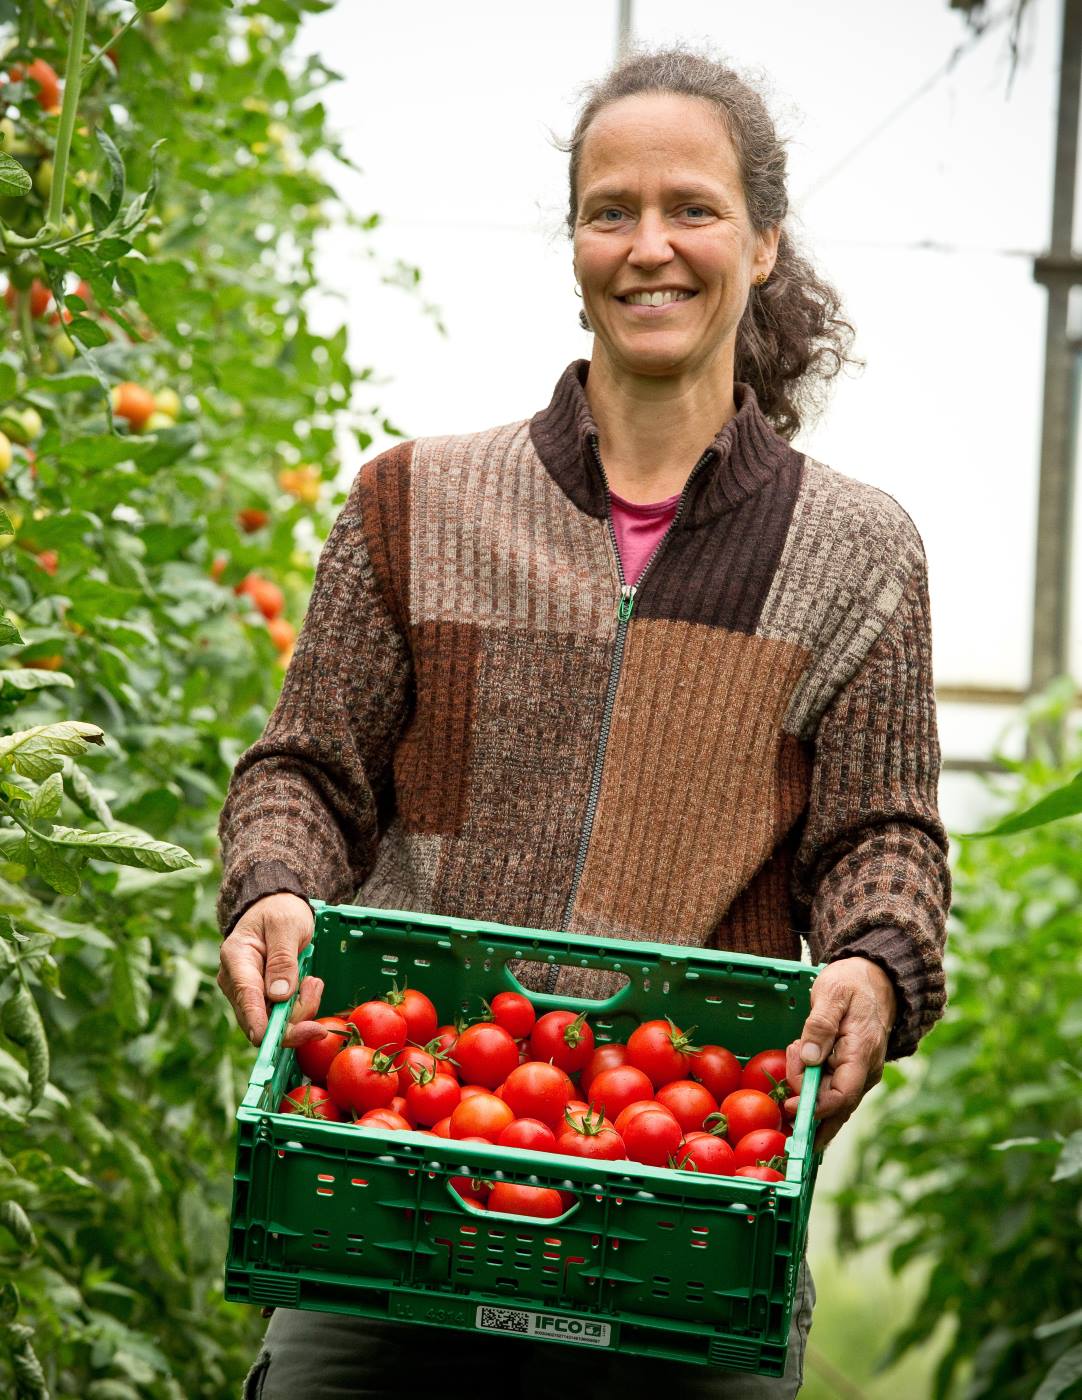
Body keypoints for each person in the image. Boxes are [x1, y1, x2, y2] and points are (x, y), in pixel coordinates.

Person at [217, 45, 950, 1400]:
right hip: (397, 1168)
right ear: (570, 244)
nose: (649, 246)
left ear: (764, 240)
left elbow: (880, 830)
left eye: (692, 208)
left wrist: (875, 957)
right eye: (610, 210)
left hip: (681, 1194)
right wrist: (273, 884)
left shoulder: (855, 552)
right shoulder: (416, 503)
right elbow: (304, 773)